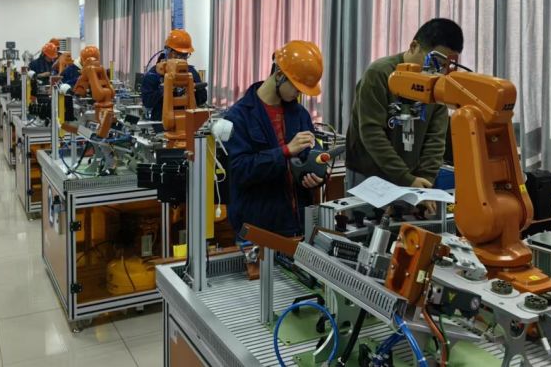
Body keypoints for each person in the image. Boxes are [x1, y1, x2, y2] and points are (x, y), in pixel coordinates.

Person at [345, 18, 464, 195]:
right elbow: (371, 132)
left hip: (412, 178)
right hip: (369, 175)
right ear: (414, 46)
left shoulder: (438, 84)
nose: (439, 71)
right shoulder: (379, 73)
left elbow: (435, 138)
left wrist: (425, 180)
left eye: (446, 66)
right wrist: (405, 178)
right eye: (436, 62)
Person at [224, 41, 326, 238]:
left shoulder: (299, 114)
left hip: (298, 224)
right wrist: (285, 151)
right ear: (279, 75)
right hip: (259, 227)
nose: (299, 94)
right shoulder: (238, 117)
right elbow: (239, 171)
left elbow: (311, 156)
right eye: (297, 88)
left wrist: (317, 176)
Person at [141, 29, 206, 121]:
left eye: (184, 55)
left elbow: (202, 99)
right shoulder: (154, 74)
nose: (181, 59)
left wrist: (193, 90)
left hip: (186, 122)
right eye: (177, 54)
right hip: (161, 123)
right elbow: (147, 102)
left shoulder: (191, 73)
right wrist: (164, 90)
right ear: (167, 51)